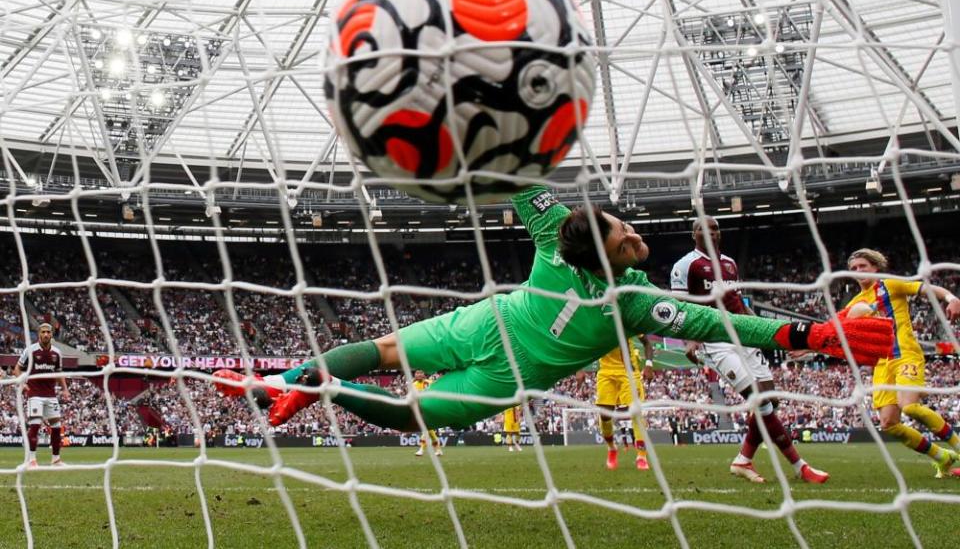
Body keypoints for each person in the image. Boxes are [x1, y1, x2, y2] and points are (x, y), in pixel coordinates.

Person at [212, 186, 893, 436]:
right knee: (396, 378)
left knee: (400, 388)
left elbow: (525, 180)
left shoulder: (588, 258)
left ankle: (305, 384)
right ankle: (298, 384)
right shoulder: (626, 292)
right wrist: (811, 332)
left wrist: (812, 332)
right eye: (622, 231)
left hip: (495, 350)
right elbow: (721, 321)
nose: (631, 230)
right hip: (496, 349)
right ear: (605, 250)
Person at [671, 216, 829, 484]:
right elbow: (680, 306)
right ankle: (800, 466)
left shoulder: (730, 264)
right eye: (702, 229)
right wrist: (690, 340)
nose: (709, 232)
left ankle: (743, 459)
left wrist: (758, 330)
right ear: (693, 235)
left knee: (771, 399)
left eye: (715, 228)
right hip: (714, 338)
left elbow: (737, 302)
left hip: (742, 333)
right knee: (760, 400)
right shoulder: (686, 265)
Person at [843, 248, 960, 478]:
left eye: (863, 266)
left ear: (875, 267)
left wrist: (951, 297)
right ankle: (942, 457)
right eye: (854, 269)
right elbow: (837, 331)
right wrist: (806, 346)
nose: (858, 271)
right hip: (881, 364)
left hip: (905, 354)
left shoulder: (891, 285)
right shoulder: (854, 303)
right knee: (889, 423)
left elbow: (924, 288)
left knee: (909, 406)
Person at [14, 323, 70, 468]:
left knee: (57, 427)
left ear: (52, 334)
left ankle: (56, 459)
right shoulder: (30, 350)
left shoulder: (57, 353)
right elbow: (17, 369)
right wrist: (23, 384)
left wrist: (65, 389)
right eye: (43, 332)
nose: (46, 334)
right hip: (35, 395)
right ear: (39, 334)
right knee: (35, 426)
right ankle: (31, 460)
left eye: (48, 332)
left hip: (51, 395)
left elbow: (59, 373)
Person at [594, 335, 653, 470]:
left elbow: (647, 344)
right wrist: (578, 369)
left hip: (628, 372)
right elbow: (583, 346)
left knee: (636, 413)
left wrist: (649, 365)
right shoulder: (597, 320)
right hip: (605, 372)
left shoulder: (628, 319)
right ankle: (611, 448)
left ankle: (641, 456)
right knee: (604, 415)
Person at [411, 370, 442, 457]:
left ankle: (421, 449)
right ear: (415, 375)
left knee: (426, 428)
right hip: (421, 409)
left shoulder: (430, 382)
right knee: (430, 431)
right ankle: (438, 449)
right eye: (417, 373)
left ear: (424, 374)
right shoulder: (413, 385)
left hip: (431, 408)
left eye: (421, 372)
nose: (419, 374)